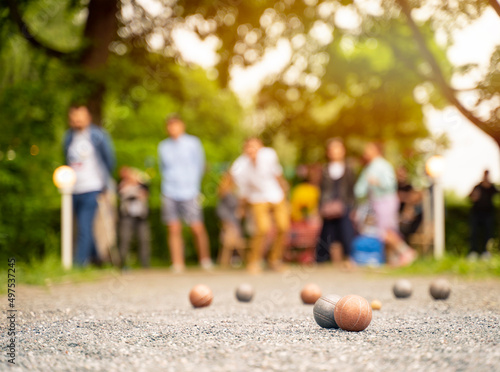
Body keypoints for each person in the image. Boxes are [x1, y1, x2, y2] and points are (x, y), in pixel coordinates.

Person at [158, 115, 212, 272]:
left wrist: (194, 185)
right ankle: (177, 263)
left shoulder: (193, 143)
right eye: (169, 126)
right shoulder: (163, 146)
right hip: (169, 190)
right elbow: (163, 168)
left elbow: (200, 165)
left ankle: (205, 260)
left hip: (190, 191)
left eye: (175, 125)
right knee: (173, 228)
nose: (172, 128)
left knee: (197, 227)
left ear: (182, 126)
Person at [63, 104, 115, 266]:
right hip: (73, 189)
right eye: (74, 119)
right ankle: (97, 258)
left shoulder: (98, 136)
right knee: (84, 226)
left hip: (93, 187)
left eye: (80, 118)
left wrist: (104, 184)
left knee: (84, 226)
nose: (77, 122)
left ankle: (79, 264)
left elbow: (109, 160)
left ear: (88, 118)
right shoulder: (68, 138)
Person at [230, 138, 290, 274]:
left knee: (283, 226)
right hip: (257, 198)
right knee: (263, 228)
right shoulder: (239, 167)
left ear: (261, 147)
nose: (252, 151)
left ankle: (274, 260)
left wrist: (285, 192)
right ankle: (254, 261)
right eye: (249, 148)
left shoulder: (269, 155)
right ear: (244, 150)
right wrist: (242, 207)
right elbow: (242, 191)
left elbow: (277, 174)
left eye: (255, 147)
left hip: (276, 194)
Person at [354, 142, 416, 266]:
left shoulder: (383, 165)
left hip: (385, 201)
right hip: (377, 202)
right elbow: (359, 189)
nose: (365, 152)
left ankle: (407, 252)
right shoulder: (370, 167)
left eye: (368, 149)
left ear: (377, 150)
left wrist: (377, 182)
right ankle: (393, 259)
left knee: (385, 231)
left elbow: (390, 184)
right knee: (384, 231)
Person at [315, 138, 357, 264]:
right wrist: (320, 207)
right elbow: (322, 190)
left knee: (346, 230)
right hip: (328, 206)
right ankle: (323, 260)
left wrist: (353, 207)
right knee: (327, 232)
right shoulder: (325, 169)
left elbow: (351, 189)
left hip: (344, 205)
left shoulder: (349, 169)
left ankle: (349, 258)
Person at [118, 166, 151, 268]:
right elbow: (124, 193)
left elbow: (146, 191)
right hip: (127, 216)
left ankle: (145, 264)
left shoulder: (141, 184)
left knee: (144, 239)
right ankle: (122, 263)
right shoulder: (122, 185)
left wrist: (138, 180)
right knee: (125, 239)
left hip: (141, 217)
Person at [216, 172, 246, 267]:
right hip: (229, 221)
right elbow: (220, 209)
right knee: (230, 242)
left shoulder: (235, 190)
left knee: (233, 242)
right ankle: (229, 261)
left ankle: (228, 261)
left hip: (235, 220)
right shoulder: (224, 191)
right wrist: (225, 221)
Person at [468, 170, 498, 260]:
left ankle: (486, 252)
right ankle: (473, 252)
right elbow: (470, 197)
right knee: (474, 233)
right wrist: (474, 197)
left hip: (488, 214)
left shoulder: (491, 187)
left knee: (488, 233)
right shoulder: (478, 186)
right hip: (476, 214)